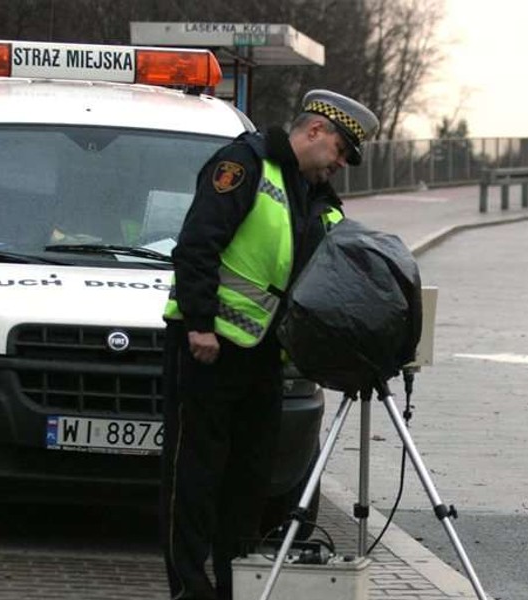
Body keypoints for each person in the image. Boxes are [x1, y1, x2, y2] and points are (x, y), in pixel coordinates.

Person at [159, 89, 379, 600]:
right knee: (193, 475)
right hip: (207, 347)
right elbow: (197, 243)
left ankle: (236, 583)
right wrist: (199, 323)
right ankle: (189, 588)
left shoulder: (317, 199)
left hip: (263, 358)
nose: (341, 164)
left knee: (249, 481)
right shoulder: (246, 164)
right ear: (315, 131)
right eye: (341, 151)